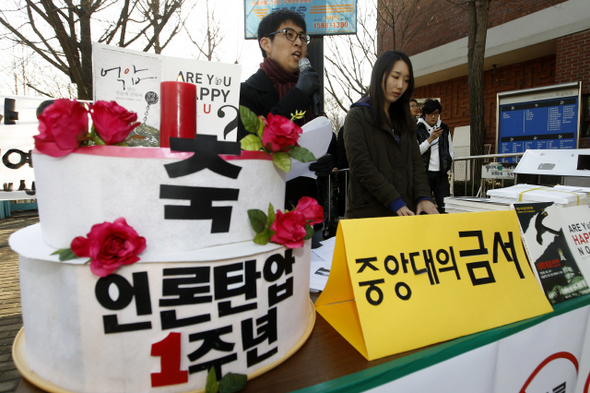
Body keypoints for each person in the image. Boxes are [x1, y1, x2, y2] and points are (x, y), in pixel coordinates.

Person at [238, 9, 334, 246]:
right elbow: (256, 143)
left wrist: (329, 160)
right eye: (289, 34)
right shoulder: (246, 93)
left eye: (303, 37)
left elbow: (325, 142)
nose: (299, 43)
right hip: (266, 218)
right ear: (266, 44)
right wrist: (299, 94)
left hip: (308, 215)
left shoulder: (309, 90)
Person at [343, 50, 438, 218]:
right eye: (395, 77)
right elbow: (361, 165)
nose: (401, 85)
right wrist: (393, 200)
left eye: (406, 80)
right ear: (380, 74)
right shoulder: (357, 116)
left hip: (404, 211)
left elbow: (416, 161)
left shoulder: (404, 119)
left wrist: (424, 196)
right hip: (369, 214)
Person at [416, 99, 454, 213]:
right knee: (425, 207)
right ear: (425, 114)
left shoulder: (444, 128)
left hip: (441, 174)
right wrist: (430, 138)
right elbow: (417, 152)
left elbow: (450, 148)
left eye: (436, 113)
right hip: (424, 174)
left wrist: (448, 162)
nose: (433, 116)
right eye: (430, 114)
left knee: (445, 207)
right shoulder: (418, 129)